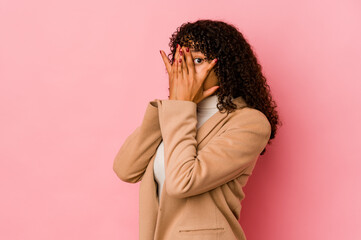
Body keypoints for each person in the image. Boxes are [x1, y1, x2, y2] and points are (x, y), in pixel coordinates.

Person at [113, 19, 281, 240]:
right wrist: (174, 103)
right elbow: (126, 169)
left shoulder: (250, 123)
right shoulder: (176, 113)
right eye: (181, 60)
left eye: (199, 60)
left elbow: (182, 182)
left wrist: (181, 106)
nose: (186, 68)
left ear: (225, 67)